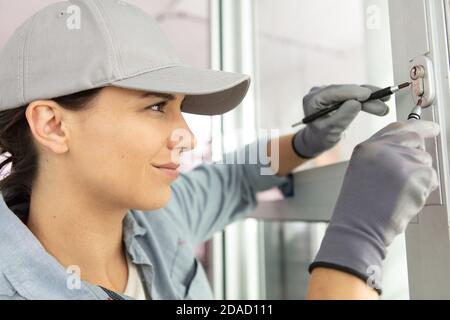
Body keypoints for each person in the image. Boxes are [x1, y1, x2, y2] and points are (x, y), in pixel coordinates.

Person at [0, 0, 438, 300]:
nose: (187, 136)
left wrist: (306, 142)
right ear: (53, 125)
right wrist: (354, 248)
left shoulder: (155, 221)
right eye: (155, 106)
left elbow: (237, 176)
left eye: (180, 109)